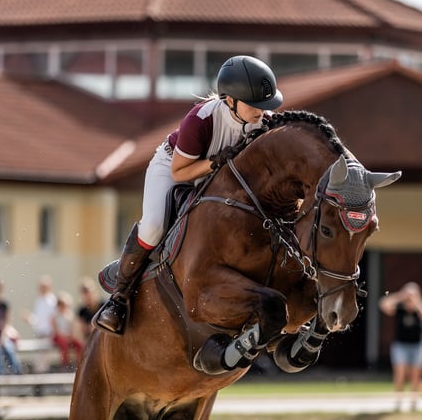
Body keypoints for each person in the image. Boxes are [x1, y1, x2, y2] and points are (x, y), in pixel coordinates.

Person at [93, 55, 283, 336]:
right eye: (254, 104)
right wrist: (215, 162)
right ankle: (118, 299)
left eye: (264, 105)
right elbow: (181, 172)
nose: (262, 111)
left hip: (217, 178)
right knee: (155, 225)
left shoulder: (264, 123)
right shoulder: (201, 119)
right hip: (173, 168)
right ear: (230, 100)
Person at [379, 282, 422, 410]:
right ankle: (398, 401)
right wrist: (400, 296)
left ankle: (413, 402)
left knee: (416, 374)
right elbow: (383, 304)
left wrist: (418, 301)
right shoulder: (399, 307)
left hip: (418, 345)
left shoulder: (420, 308)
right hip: (400, 345)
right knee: (400, 372)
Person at [23, 275, 57, 371]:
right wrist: (29, 318)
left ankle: (42, 383)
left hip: (47, 334)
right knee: (38, 362)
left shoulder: (51, 301)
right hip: (40, 334)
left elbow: (52, 320)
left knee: (43, 362)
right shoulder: (39, 300)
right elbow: (39, 321)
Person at [51, 291, 84, 369]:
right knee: (64, 345)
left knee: (79, 345)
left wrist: (72, 336)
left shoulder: (70, 315)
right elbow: (56, 331)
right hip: (59, 337)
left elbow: (73, 328)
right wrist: (66, 337)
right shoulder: (55, 317)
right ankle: (65, 365)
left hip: (69, 336)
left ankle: (79, 364)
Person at [76, 276, 103, 345]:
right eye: (85, 294)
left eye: (89, 293)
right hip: (90, 341)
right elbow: (81, 330)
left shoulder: (104, 306)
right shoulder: (82, 311)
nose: (88, 297)